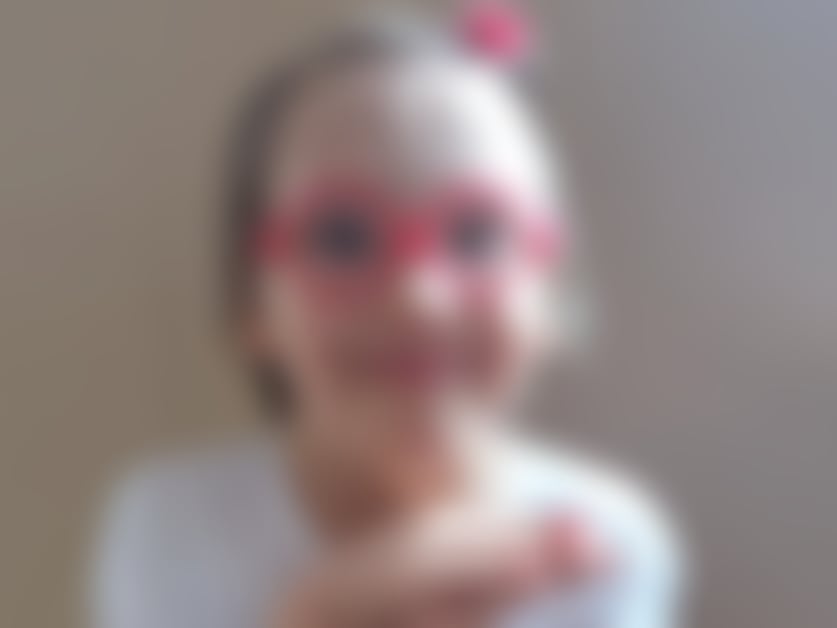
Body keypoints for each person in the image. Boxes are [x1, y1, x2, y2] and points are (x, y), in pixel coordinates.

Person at [91, 8, 685, 628]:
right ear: (253, 307)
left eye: (477, 234)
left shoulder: (609, 542)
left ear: (553, 294)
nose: (418, 298)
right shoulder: (172, 527)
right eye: (343, 237)